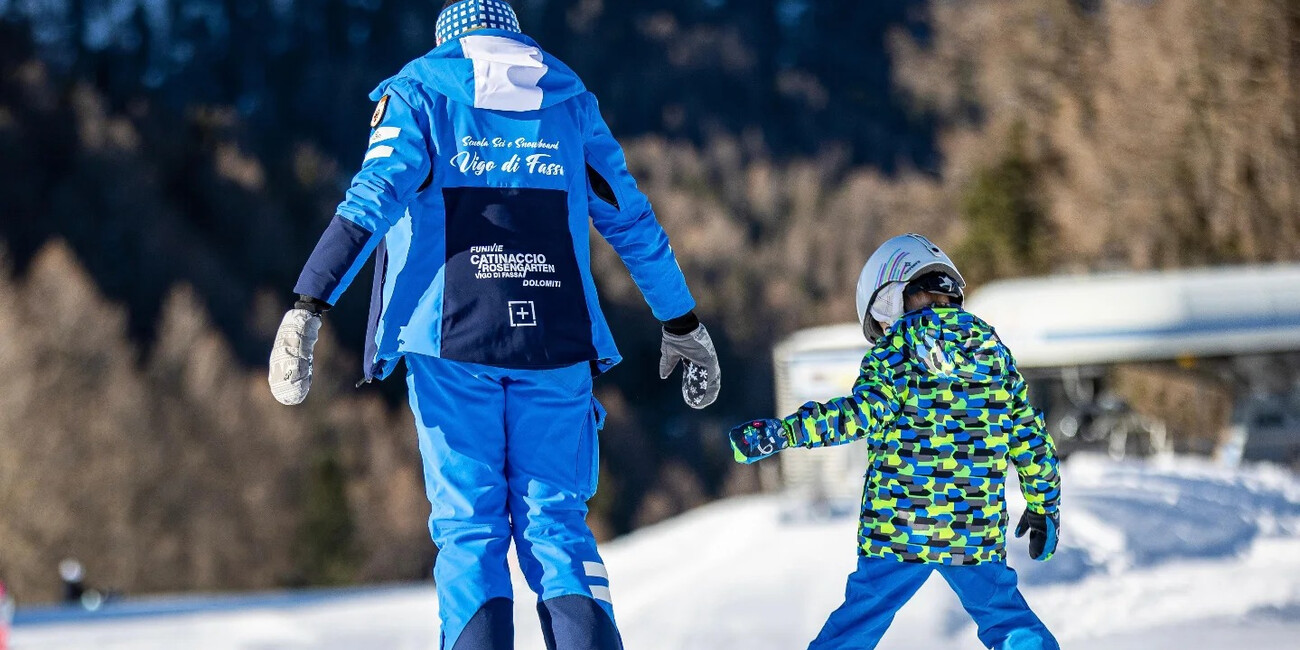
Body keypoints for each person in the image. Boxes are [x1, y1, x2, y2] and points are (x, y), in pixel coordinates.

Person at [267, 1, 720, 649]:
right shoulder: (568, 101)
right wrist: (681, 320)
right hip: (556, 338)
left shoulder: (419, 94)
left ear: (449, 39)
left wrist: (310, 302)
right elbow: (631, 220)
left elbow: (371, 198)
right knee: (557, 527)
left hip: (453, 339)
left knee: (469, 532)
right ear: (515, 36)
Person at [729, 233, 1061, 650]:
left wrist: (785, 433)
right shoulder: (993, 352)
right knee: (1006, 619)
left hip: (899, 526)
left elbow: (854, 415)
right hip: (972, 528)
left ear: (891, 294)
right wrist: (1043, 505)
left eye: (880, 321)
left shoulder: (895, 353)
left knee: (859, 622)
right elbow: (1030, 438)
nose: (884, 330)